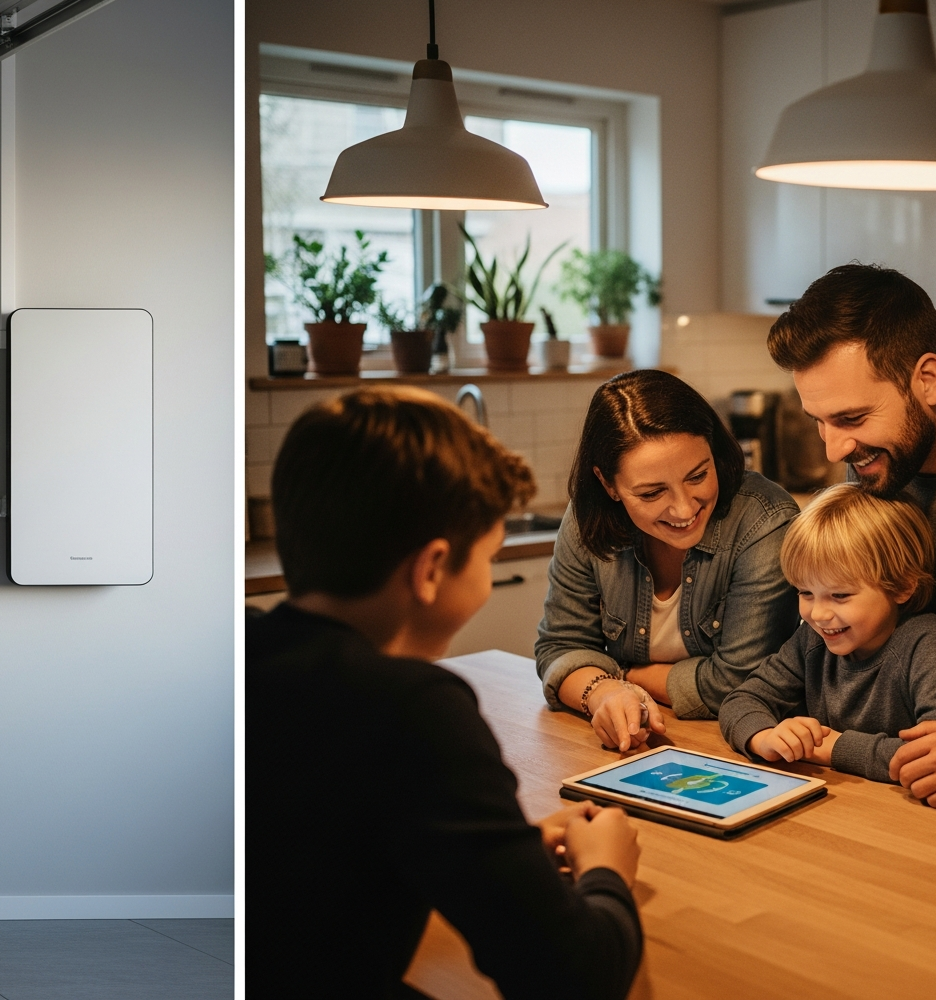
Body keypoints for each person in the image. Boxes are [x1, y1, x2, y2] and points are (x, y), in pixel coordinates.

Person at [255, 386, 644, 1000]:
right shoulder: (410, 708)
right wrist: (605, 871)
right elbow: (575, 978)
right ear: (432, 568)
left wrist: (490, 852)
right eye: (488, 556)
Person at [535, 370, 800, 750]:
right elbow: (559, 646)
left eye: (698, 475)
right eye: (651, 492)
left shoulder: (764, 520)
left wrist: (622, 677)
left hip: (743, 746)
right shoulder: (586, 521)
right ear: (608, 485)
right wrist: (603, 694)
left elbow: (738, 682)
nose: (683, 507)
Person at [768, 263, 936, 805]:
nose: (834, 450)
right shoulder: (879, 472)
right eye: (819, 421)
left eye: (851, 418)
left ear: (928, 379)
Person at [719, 484, 936, 781]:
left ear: (903, 586)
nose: (818, 614)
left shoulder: (926, 646)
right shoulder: (813, 640)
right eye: (805, 592)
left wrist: (833, 747)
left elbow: (932, 756)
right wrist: (764, 737)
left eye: (840, 595)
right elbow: (742, 700)